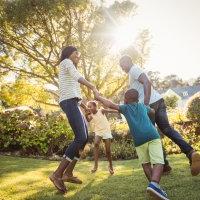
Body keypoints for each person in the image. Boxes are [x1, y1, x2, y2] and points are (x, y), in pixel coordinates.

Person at [119, 55, 200, 176]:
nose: (122, 68)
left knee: (152, 137)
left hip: (150, 105)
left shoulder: (133, 69)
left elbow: (147, 82)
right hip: (158, 101)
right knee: (166, 130)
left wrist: (145, 104)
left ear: (127, 61)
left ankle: (165, 166)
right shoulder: (134, 72)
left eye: (122, 65)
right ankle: (190, 153)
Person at [94, 89, 169, 200]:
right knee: (158, 161)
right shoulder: (143, 106)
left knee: (146, 163)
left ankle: (154, 188)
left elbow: (109, 104)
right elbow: (152, 111)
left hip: (139, 140)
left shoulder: (125, 108)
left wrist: (98, 97)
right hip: (152, 135)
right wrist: (151, 112)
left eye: (124, 98)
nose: (123, 99)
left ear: (127, 99)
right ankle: (154, 185)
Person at [49, 46, 99, 193]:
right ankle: (57, 174)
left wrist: (85, 106)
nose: (79, 56)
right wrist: (92, 86)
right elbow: (77, 76)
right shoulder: (66, 62)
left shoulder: (69, 67)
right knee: (80, 137)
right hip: (68, 102)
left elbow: (75, 93)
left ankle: (68, 173)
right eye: (77, 53)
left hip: (73, 102)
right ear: (69, 53)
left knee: (85, 138)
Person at [85, 101, 117, 175]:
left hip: (106, 131)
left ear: (95, 106)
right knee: (96, 144)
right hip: (98, 131)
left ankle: (110, 166)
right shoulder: (91, 114)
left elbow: (110, 110)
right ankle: (95, 165)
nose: (89, 108)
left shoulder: (101, 110)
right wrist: (86, 115)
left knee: (108, 150)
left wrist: (119, 110)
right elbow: (88, 120)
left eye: (90, 106)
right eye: (88, 106)